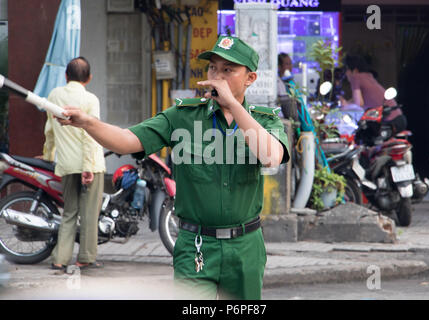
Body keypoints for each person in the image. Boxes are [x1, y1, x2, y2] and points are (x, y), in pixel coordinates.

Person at [57, 36, 290, 300]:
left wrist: (234, 106)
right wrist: (88, 122)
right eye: (213, 68)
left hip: (245, 245)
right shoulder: (183, 116)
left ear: (250, 78)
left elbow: (271, 156)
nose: (217, 76)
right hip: (196, 245)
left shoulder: (264, 120)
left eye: (228, 70)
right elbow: (126, 141)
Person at [42, 57, 105, 271]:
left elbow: (49, 130)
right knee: (89, 214)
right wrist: (88, 166)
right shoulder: (91, 99)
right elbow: (90, 134)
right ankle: (85, 258)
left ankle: (60, 258)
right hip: (91, 166)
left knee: (69, 212)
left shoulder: (54, 95)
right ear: (89, 78)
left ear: (66, 76)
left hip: (67, 164)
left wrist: (48, 155)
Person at [341, 54, 407, 134]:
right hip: (399, 118)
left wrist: (345, 106)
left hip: (389, 121)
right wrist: (346, 104)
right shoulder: (368, 76)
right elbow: (360, 98)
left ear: (354, 70)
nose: (345, 73)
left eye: (346, 69)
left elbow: (359, 104)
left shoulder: (356, 77)